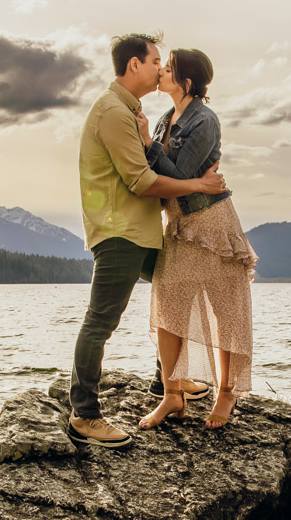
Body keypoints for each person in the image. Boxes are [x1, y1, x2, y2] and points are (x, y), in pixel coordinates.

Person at [67, 34, 226, 448]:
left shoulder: (131, 110)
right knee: (101, 320)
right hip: (121, 232)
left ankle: (167, 383)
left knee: (176, 293)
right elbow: (141, 181)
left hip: (140, 231)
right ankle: (84, 414)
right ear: (135, 64)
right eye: (156, 60)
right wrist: (201, 184)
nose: (161, 67)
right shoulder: (113, 112)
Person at [137, 49, 257, 431]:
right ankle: (172, 396)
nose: (161, 72)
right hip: (178, 225)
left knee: (227, 311)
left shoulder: (205, 120)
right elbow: (160, 179)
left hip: (211, 224)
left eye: (168, 68)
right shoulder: (162, 120)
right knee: (169, 307)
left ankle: (226, 393)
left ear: (186, 81)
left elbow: (179, 172)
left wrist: (148, 145)